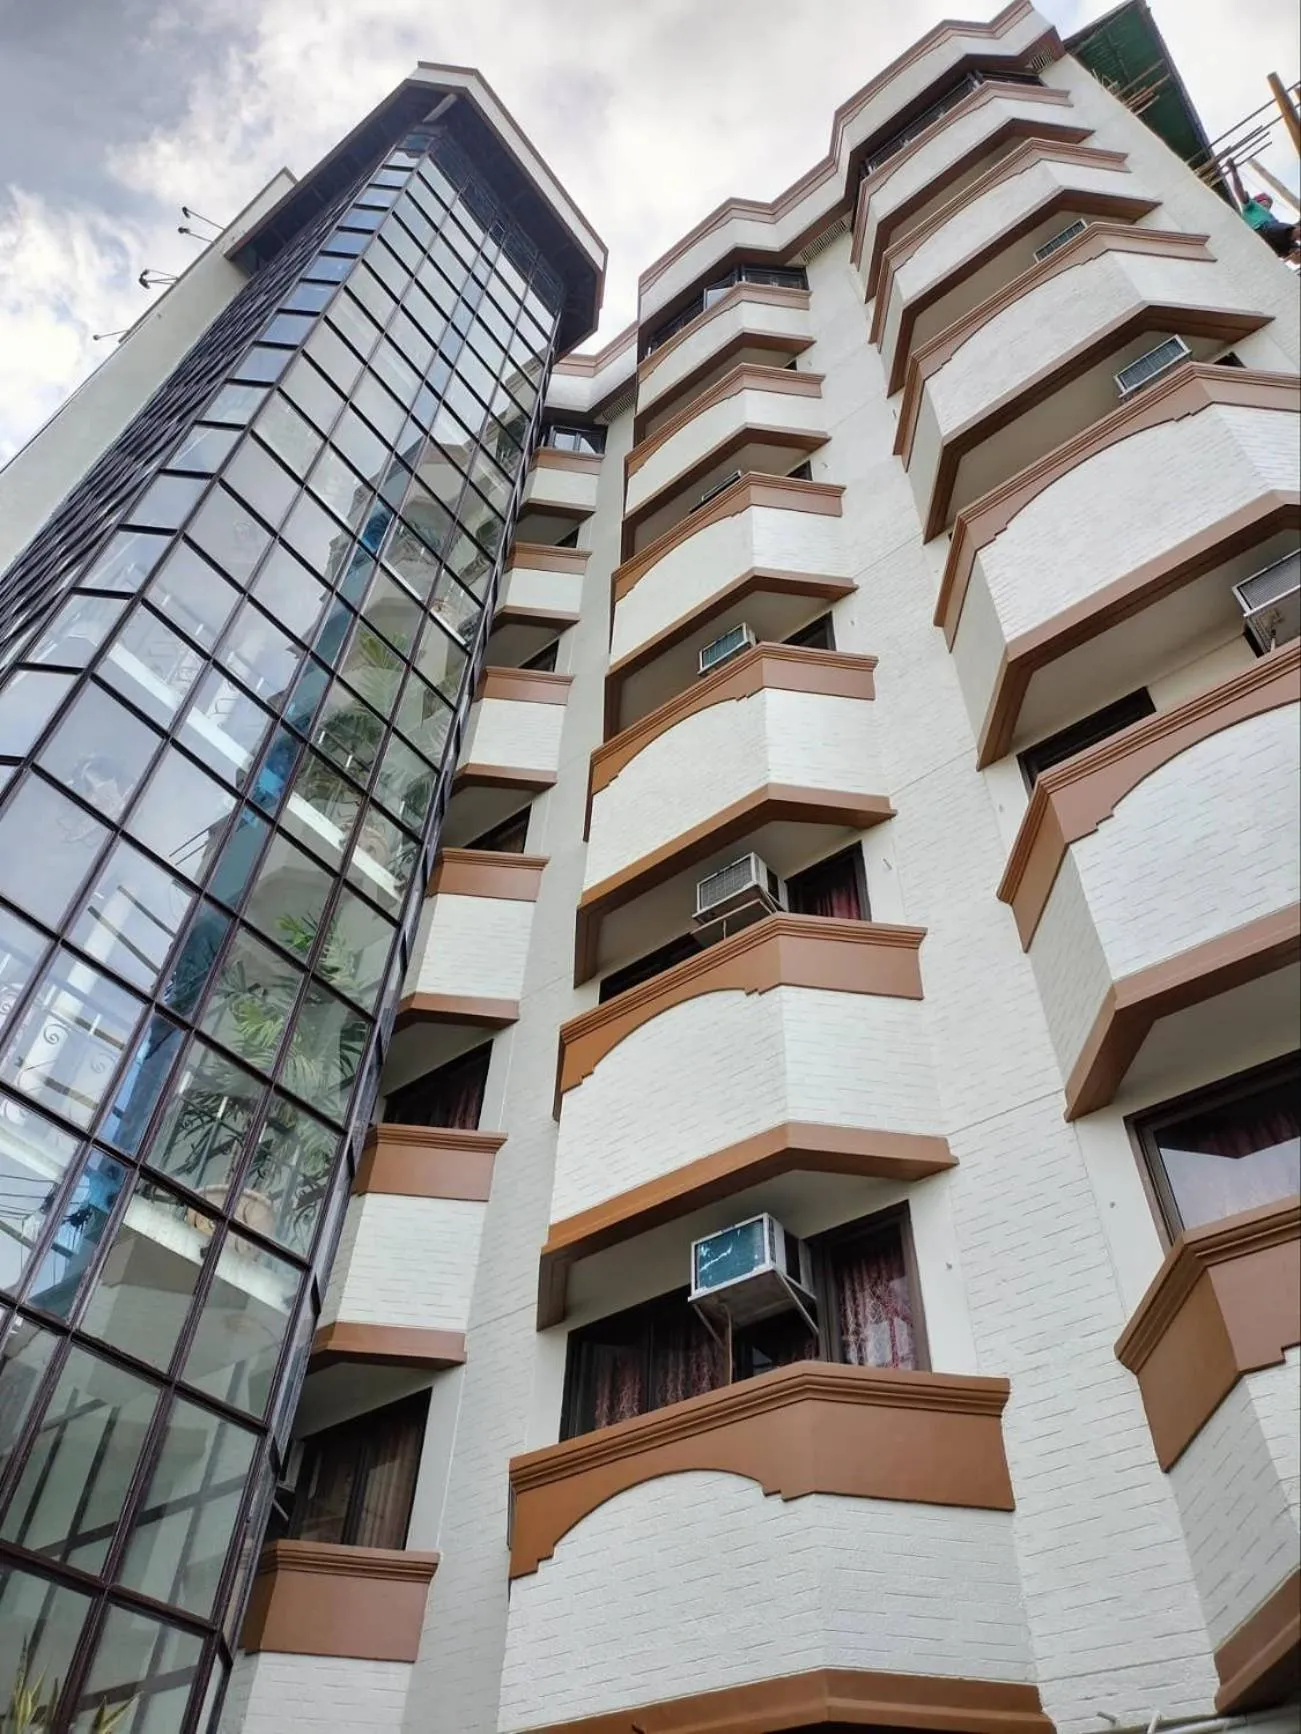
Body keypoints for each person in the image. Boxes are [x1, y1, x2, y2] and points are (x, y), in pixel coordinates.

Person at [1227, 161, 1300, 259]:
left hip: (1271, 241)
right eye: (1266, 201)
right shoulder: (1252, 205)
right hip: (1262, 230)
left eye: (1269, 203)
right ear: (1259, 201)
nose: (1268, 204)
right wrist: (1234, 172)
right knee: (1291, 230)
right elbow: (1239, 191)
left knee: (1294, 252)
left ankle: (1294, 253)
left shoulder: (1270, 216)